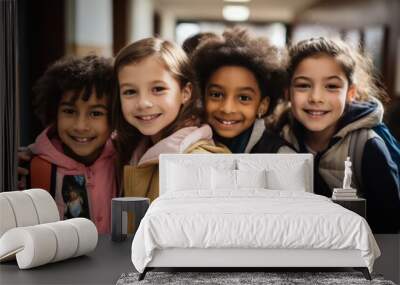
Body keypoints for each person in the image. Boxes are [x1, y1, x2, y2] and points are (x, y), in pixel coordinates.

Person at [281, 37, 400, 233]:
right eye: (303, 85)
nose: (316, 98)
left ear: (350, 94)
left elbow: (390, 227)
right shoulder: (279, 139)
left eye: (332, 86)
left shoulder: (368, 146)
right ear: (288, 93)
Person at [112, 37, 229, 201]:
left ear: (185, 93)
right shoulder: (131, 149)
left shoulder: (197, 162)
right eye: (130, 91)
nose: (143, 103)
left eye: (158, 89)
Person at [26, 55, 116, 234]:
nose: (80, 126)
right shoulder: (29, 170)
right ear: (54, 112)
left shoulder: (126, 162)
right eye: (69, 111)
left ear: (115, 116)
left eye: (96, 113)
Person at [191, 27, 294, 154]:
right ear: (203, 96)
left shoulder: (281, 155)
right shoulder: (188, 145)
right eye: (216, 95)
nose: (227, 109)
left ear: (263, 105)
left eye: (244, 98)